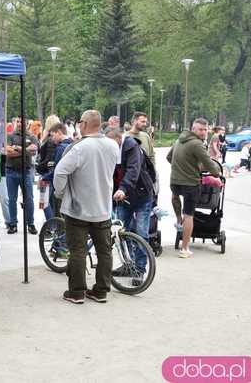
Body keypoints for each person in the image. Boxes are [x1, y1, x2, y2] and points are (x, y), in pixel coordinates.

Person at [53, 110, 119, 304]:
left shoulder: (80, 148)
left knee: (78, 250)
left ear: (84, 124)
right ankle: (100, 291)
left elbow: (60, 172)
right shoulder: (112, 145)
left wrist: (60, 193)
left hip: (78, 208)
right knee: (104, 251)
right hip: (103, 208)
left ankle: (76, 292)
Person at [104, 127, 155, 285]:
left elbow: (133, 170)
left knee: (141, 232)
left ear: (119, 139)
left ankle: (139, 269)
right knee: (120, 233)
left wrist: (123, 188)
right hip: (122, 197)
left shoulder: (131, 146)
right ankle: (128, 264)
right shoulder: (112, 150)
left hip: (141, 196)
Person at [167, 118, 220, 258]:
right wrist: (217, 172)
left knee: (175, 196)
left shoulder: (179, 140)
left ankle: (179, 221)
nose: (203, 132)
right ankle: (184, 248)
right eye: (200, 129)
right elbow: (210, 166)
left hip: (175, 181)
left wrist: (183, 166)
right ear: (193, 129)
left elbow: (168, 157)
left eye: (205, 129)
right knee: (189, 215)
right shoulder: (197, 144)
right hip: (190, 184)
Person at [5, 117, 38, 235]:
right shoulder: (10, 136)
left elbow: (33, 151)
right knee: (12, 199)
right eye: (17, 121)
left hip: (26, 172)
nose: (19, 123)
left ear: (27, 123)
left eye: (21, 121)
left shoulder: (32, 136)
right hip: (11, 172)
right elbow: (8, 151)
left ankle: (31, 224)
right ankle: (13, 224)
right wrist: (25, 150)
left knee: (29, 199)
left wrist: (18, 148)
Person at [43, 122, 73, 217]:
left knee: (56, 213)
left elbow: (57, 170)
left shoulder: (60, 148)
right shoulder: (73, 144)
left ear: (59, 132)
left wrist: (45, 177)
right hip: (70, 186)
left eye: (52, 135)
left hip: (59, 186)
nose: (52, 139)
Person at [36, 115, 62, 221]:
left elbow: (47, 160)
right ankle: (54, 225)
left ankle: (51, 225)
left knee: (44, 203)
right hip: (52, 174)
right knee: (51, 203)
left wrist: (38, 167)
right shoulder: (55, 140)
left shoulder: (49, 141)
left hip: (47, 175)